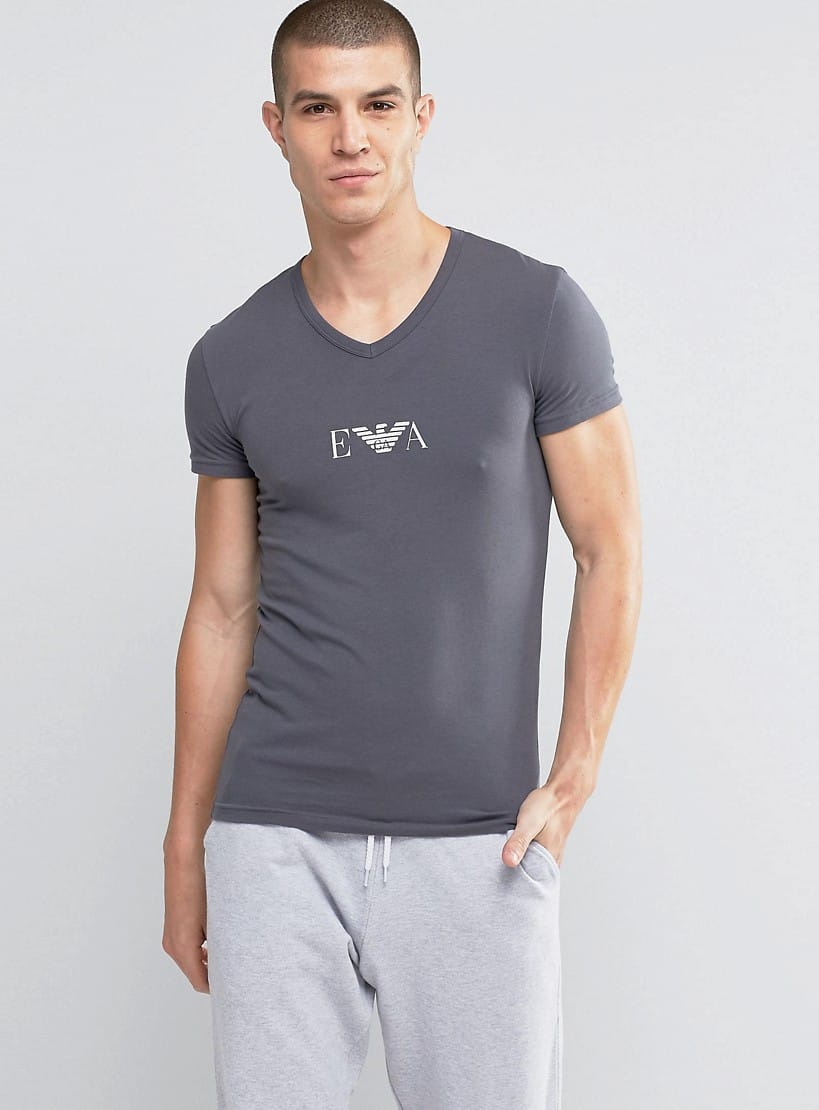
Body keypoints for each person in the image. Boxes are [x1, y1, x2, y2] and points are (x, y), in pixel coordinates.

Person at [162, 1, 642, 1106]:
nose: (352, 138)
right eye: (317, 109)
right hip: (273, 838)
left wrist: (574, 774)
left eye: (379, 105)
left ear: (421, 117)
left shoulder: (537, 311)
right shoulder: (231, 357)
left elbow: (609, 547)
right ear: (276, 127)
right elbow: (222, 609)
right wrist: (187, 847)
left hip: (481, 841)